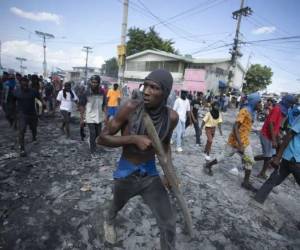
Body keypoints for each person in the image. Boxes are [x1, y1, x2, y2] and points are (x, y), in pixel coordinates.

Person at [97, 69, 178, 249]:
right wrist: (133, 139)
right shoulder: (130, 108)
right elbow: (101, 138)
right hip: (127, 171)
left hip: (150, 174)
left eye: (154, 88)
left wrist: (169, 173)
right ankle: (109, 221)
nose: (146, 91)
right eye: (146, 85)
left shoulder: (171, 117)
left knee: (169, 222)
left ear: (164, 93)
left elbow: (165, 146)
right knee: (117, 204)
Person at [204, 93, 261, 191]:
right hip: (237, 140)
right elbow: (235, 127)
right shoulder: (244, 111)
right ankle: (208, 165)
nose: (260, 104)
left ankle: (245, 182)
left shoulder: (252, 112)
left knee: (249, 159)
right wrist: (239, 144)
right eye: (259, 102)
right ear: (254, 102)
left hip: (244, 141)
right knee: (224, 156)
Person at [253, 114, 300, 204]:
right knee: (275, 178)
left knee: (275, 179)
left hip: (291, 157)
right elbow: (289, 135)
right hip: (295, 158)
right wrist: (278, 157)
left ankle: (258, 198)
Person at [255, 95, 296, 179]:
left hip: (269, 135)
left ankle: (252, 160)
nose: (291, 105)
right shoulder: (277, 109)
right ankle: (261, 172)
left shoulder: (280, 109)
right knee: (268, 156)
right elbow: (271, 123)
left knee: (268, 155)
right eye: (291, 103)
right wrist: (274, 140)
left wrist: (278, 137)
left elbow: (276, 126)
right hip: (266, 135)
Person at [13, 77, 41, 156]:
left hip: (32, 113)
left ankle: (34, 138)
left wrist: (41, 110)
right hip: (22, 114)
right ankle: (22, 149)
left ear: (28, 83)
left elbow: (40, 100)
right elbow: (13, 101)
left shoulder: (34, 91)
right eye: (23, 83)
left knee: (34, 128)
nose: (25, 84)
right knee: (21, 131)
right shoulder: (16, 92)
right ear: (20, 83)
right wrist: (15, 112)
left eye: (26, 83)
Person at [79, 75, 105, 157]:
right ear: (90, 82)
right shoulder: (86, 92)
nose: (94, 84)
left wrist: (106, 116)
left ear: (98, 83)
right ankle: (92, 151)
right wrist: (82, 118)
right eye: (92, 82)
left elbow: (103, 105)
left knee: (98, 134)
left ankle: (91, 141)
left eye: (96, 83)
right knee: (93, 133)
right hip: (90, 116)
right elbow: (82, 106)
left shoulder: (101, 92)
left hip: (99, 115)